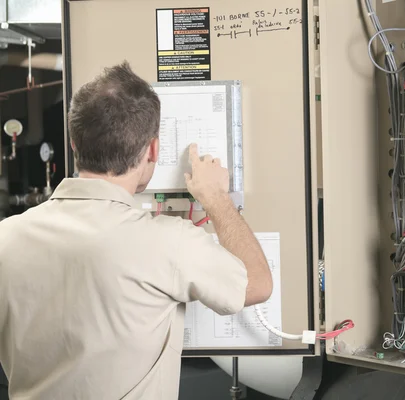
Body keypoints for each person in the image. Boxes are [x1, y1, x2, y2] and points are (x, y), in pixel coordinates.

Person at [0, 62, 273, 399]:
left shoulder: (6, 237)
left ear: (73, 143)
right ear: (153, 150)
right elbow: (258, 284)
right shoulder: (168, 242)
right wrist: (217, 199)